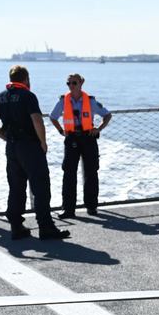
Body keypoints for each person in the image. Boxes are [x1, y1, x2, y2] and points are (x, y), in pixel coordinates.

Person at [0, 66, 70, 240]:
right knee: (40, 186)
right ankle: (45, 227)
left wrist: (6, 138)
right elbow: (37, 120)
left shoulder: (0, 97)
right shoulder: (27, 96)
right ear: (26, 79)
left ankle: (16, 226)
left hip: (12, 148)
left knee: (16, 187)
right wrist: (43, 142)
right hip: (29, 146)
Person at [49, 74, 111, 217]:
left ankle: (92, 206)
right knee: (69, 173)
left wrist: (98, 129)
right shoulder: (63, 101)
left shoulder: (91, 101)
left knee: (91, 172)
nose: (71, 85)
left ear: (81, 83)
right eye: (68, 83)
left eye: (74, 82)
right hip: (71, 139)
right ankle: (68, 209)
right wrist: (61, 131)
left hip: (88, 138)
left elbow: (107, 115)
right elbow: (53, 117)